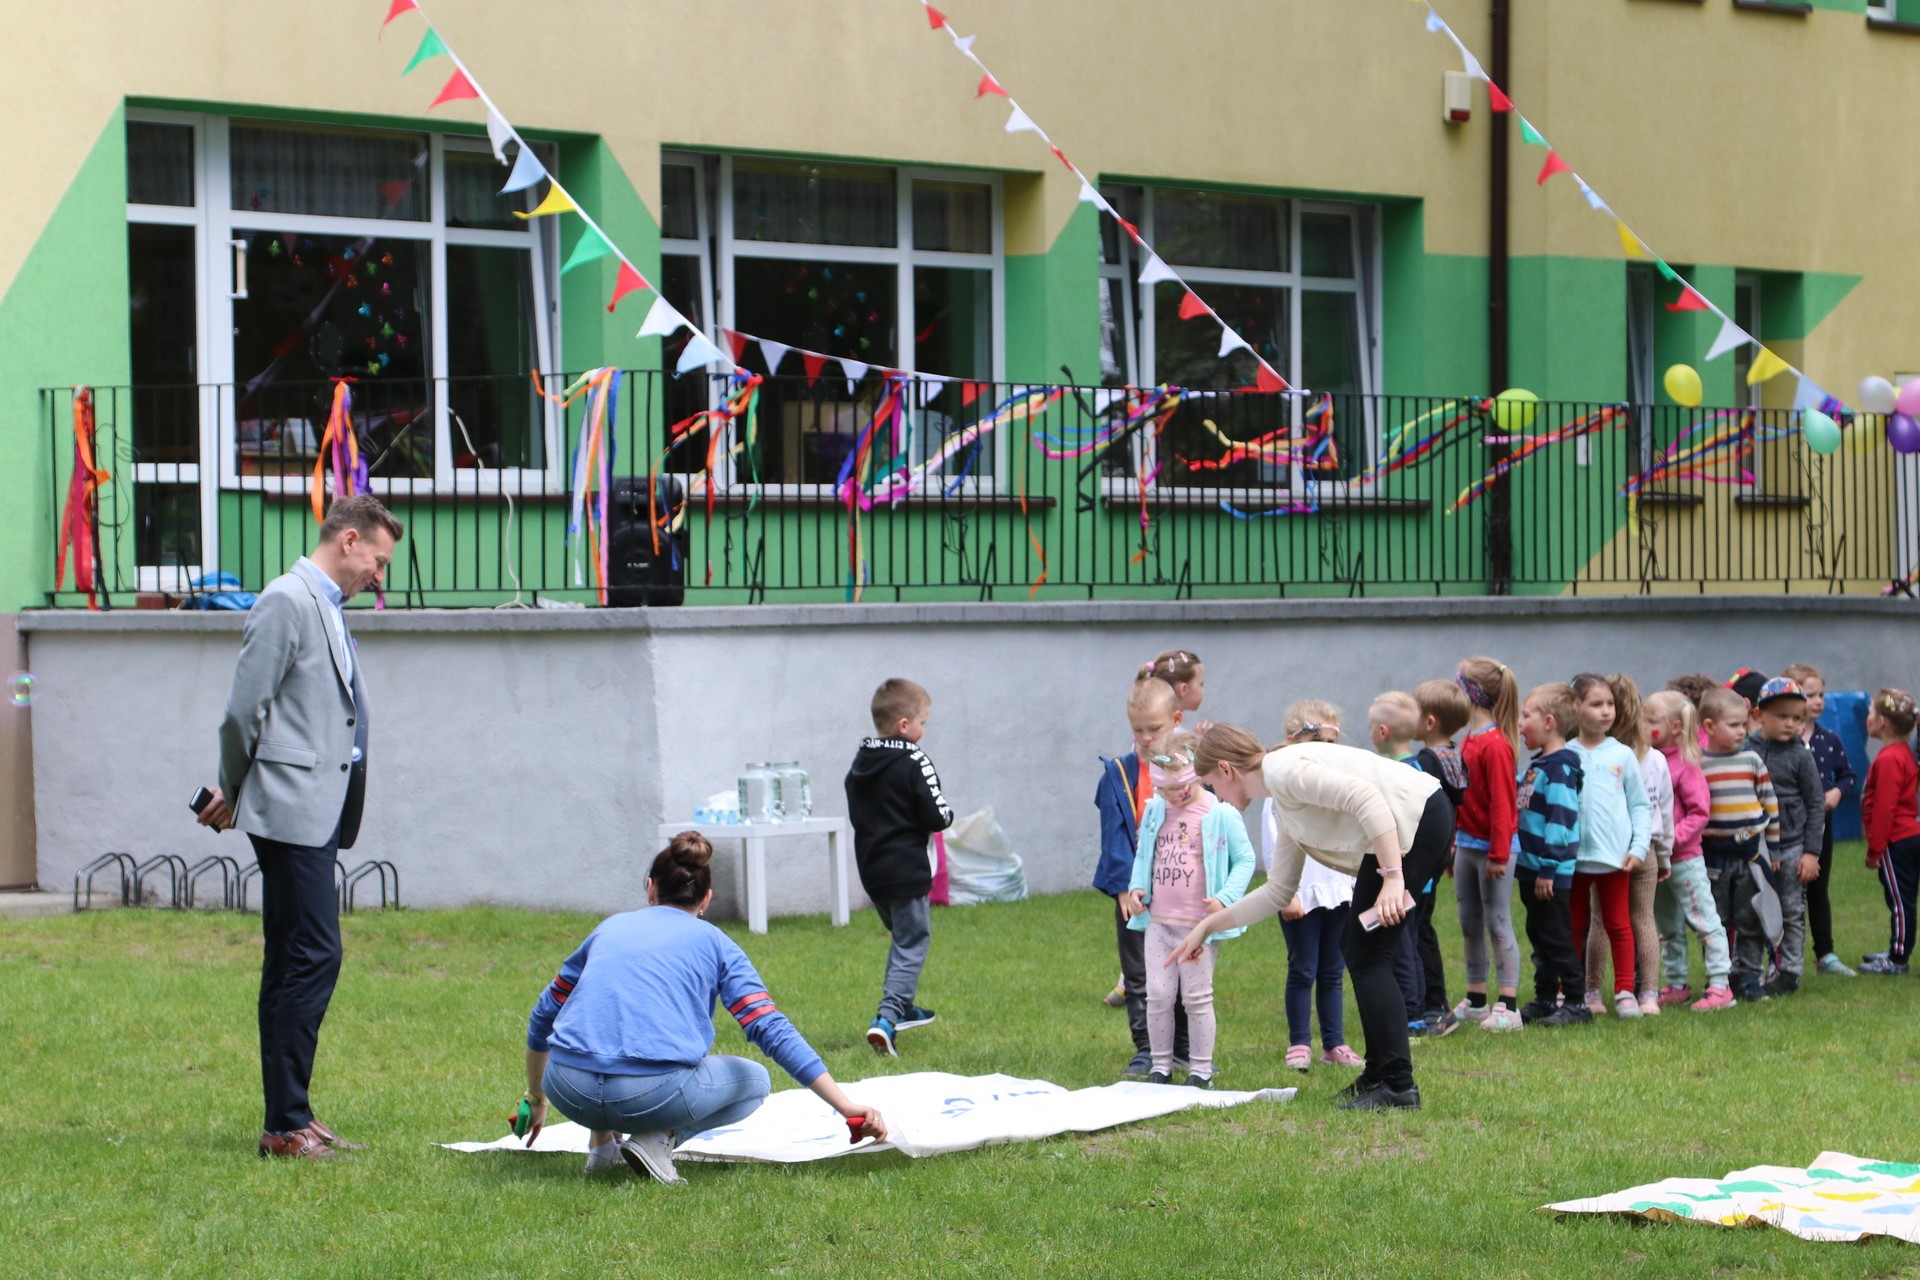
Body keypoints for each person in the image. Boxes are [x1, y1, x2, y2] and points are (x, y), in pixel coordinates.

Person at [195, 494, 401, 1160]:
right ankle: (286, 1124)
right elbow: (242, 713)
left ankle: (290, 1118)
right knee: (314, 953)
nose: (379, 575)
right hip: (289, 808)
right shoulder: (287, 600)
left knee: (291, 956)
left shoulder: (326, 605)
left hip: (313, 808)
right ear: (348, 540)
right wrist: (233, 791)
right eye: (377, 560)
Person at [520, 832, 887, 1183]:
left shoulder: (608, 929)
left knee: (607, 1037)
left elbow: (543, 1015)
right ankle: (657, 1140)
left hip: (568, 1089)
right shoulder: (717, 943)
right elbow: (768, 1026)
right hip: (647, 1098)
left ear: (650, 888)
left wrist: (536, 1098)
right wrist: (845, 1106)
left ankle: (602, 1150)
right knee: (755, 1081)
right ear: (706, 899)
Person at [1180, 725, 1452, 1112]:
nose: (1216, 796)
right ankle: (1379, 1074)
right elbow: (1279, 890)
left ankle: (1398, 1085)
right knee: (1357, 947)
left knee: (1367, 954)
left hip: (1417, 821)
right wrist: (1208, 925)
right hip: (1407, 827)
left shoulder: (1282, 771)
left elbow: (1367, 799)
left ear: (1226, 769)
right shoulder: (1283, 798)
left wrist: (1393, 878)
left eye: (1211, 785)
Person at [1121, 731, 1254, 1087]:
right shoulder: (1155, 810)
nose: (1174, 795)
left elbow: (1245, 859)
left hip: (1199, 928)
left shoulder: (1219, 813)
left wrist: (1225, 898)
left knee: (1196, 998)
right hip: (1159, 924)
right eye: (1165, 789)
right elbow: (1143, 855)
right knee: (1158, 995)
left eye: (1180, 787)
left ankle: (1200, 1071)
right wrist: (1136, 888)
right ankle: (1160, 1067)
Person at [845, 677, 955, 1056]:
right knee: (912, 941)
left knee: (902, 938)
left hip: (873, 871)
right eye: (923, 721)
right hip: (907, 869)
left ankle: (903, 1006)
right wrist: (947, 814)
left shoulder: (861, 761)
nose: (924, 729)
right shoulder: (913, 759)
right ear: (904, 725)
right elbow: (937, 815)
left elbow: (857, 808)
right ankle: (887, 1019)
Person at [1095, 673, 1189, 1076]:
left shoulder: (1192, 770)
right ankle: (1147, 1048)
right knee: (1139, 974)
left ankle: (1183, 1047)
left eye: (1155, 729)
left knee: (1183, 969)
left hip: (1182, 891)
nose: (1146, 738)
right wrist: (1122, 889)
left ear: (1176, 720)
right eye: (1138, 730)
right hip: (1136, 894)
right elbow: (1114, 835)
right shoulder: (1119, 775)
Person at [1370, 692, 1474, 1035]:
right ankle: (1422, 1008)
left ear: (1382, 732)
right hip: (1422, 873)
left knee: (1402, 943)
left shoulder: (1396, 774)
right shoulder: (1419, 767)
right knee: (1411, 938)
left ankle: (1413, 1015)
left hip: (1406, 875)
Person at [1566, 673, 1651, 1020]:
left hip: (1614, 859)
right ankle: (1573, 991)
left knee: (1618, 925)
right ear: (1575, 708)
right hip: (1571, 860)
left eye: (1610, 704)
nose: (1605, 711)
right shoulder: (1565, 754)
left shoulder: (1623, 755)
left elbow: (1640, 806)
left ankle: (1625, 991)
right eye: (1596, 704)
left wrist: (1639, 848)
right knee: (1572, 926)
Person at [1585, 675, 1670, 1017]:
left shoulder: (1599, 756)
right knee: (1643, 918)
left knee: (1600, 920)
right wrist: (1664, 855)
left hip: (1607, 850)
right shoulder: (1655, 759)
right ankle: (1648, 994)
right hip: (1646, 848)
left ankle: (1592, 991)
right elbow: (1664, 810)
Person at [1644, 690, 1734, 1011]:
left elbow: (1699, 813)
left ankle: (1721, 985)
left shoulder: (1686, 766)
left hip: (1684, 860)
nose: (1643, 726)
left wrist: (1670, 841)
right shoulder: (1649, 761)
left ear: (1675, 727)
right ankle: (1676, 983)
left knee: (1704, 921)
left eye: (1651, 721)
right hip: (1656, 862)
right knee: (1667, 925)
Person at [1450, 657, 1521, 1030]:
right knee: (1468, 920)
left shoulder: (1495, 745)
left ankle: (1508, 1006)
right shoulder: (1470, 739)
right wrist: (1453, 843)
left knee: (1497, 920)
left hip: (1494, 850)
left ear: (1472, 695)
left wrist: (1498, 854)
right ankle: (1476, 999)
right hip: (1466, 844)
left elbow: (1503, 806)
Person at [1268, 796, 1363, 1073]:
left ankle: (1334, 1044)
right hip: (1301, 891)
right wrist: (1285, 894)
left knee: (1333, 972)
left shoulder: (1338, 789)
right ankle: (1299, 1043)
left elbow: (1351, 835)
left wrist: (1354, 883)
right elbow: (1272, 839)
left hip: (1339, 891)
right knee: (1303, 969)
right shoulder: (1280, 792)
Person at [1698, 687, 1780, 1004]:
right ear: (1708, 726)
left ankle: (1749, 975)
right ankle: (1719, 977)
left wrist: (1773, 849)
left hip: (1750, 853)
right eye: (1733, 725)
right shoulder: (1699, 763)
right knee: (1714, 919)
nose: (1741, 731)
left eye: (1744, 724)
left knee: (1750, 917)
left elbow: (1769, 804)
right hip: (1713, 856)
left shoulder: (1752, 760)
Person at [1512, 684, 1587, 1026]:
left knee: (1557, 936)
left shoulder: (1560, 769)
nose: (1520, 723)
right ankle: (1545, 998)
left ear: (1549, 723)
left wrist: (1548, 868)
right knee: (1538, 935)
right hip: (1532, 869)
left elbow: (1561, 820)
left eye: (1526, 715)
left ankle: (1576, 1002)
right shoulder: (1540, 766)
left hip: (1549, 872)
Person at [1745, 677, 1824, 997]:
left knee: (1790, 910)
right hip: (1755, 845)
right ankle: (1749, 969)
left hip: (1792, 846)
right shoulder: (1746, 750)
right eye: (1782, 716)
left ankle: (1789, 970)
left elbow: (1816, 803)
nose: (1791, 724)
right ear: (1760, 715)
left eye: (1797, 718)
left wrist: (1811, 853)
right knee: (1754, 909)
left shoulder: (1801, 755)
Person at [1780, 663, 1858, 978]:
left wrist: (1838, 791)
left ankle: (1825, 953)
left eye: (1821, 695)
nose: (1817, 701)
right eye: (1809, 694)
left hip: (1820, 826)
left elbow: (1848, 775)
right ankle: (1782, 955)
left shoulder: (1829, 739)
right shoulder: (1782, 742)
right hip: (1786, 829)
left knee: (1817, 889)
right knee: (1785, 891)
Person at [1859, 689, 1920, 975]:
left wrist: (1875, 849)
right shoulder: (1902, 752)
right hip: (1907, 836)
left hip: (1897, 840)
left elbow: (1885, 809)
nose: (1868, 717)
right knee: (1901, 898)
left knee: (1900, 901)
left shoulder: (1889, 759)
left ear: (1881, 722)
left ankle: (1897, 959)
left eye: (1871, 712)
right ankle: (1896, 949)